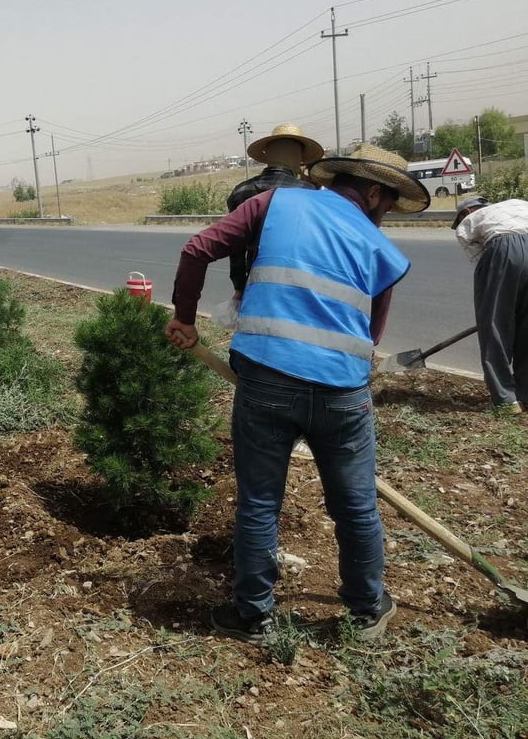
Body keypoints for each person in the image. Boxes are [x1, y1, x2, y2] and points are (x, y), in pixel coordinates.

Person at [166, 143, 430, 644]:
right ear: (374, 192)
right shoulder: (383, 251)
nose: (389, 214)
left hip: (265, 379)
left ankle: (253, 617)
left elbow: (196, 249)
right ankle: (366, 610)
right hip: (343, 394)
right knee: (355, 507)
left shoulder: (275, 203)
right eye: (390, 202)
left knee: (260, 503)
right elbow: (370, 339)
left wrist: (183, 317)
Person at [224, 123, 324, 302]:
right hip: (298, 285)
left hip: (254, 283)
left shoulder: (240, 192)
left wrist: (239, 287)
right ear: (298, 159)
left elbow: (236, 250)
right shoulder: (310, 194)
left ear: (268, 155)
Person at [452, 194, 528, 413]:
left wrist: (493, 307)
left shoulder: (469, 222)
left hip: (505, 248)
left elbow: (481, 260)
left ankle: (506, 400)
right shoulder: (517, 204)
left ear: (466, 212)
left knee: (495, 326)